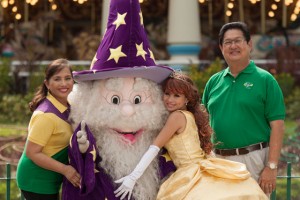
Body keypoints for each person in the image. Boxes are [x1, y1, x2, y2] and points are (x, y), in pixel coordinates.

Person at [113, 72, 268, 200]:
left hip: (190, 173)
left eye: (176, 96)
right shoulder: (188, 115)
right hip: (203, 167)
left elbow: (154, 147)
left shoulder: (177, 117)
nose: (170, 99)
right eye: (167, 94)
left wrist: (133, 177)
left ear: (186, 99)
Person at [201, 21, 285, 195]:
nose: (233, 46)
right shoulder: (213, 82)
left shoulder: (266, 80)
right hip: (218, 161)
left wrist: (271, 167)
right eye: (227, 42)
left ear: (249, 44)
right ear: (221, 47)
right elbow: (201, 121)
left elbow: (277, 125)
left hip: (253, 159)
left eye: (237, 41)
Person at [16, 58, 81, 200]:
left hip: (51, 179)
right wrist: (65, 170)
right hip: (36, 180)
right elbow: (33, 153)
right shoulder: (45, 115)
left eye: (67, 78)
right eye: (57, 79)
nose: (63, 84)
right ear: (47, 83)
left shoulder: (69, 107)